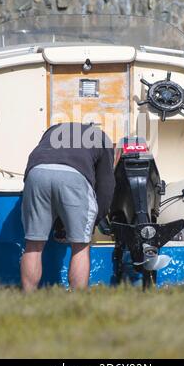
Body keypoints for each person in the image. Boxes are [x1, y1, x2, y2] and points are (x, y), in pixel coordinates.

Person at [20, 122, 115, 292]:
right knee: (80, 246)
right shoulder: (102, 138)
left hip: (36, 173)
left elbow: (37, 161)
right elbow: (106, 188)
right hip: (74, 177)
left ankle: (28, 298)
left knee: (33, 244)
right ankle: (77, 303)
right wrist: (94, 221)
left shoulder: (54, 129)